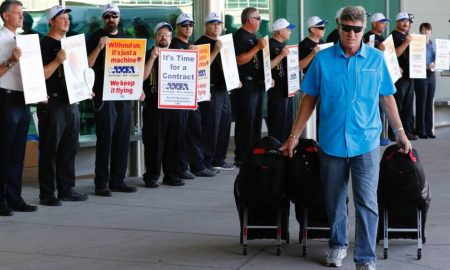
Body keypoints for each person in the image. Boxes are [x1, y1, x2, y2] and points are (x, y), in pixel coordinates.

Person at [281, 6, 411, 270]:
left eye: (357, 29)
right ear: (339, 28)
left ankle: (365, 257)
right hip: (331, 143)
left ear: (364, 30)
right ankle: (338, 244)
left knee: (367, 202)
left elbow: (387, 97)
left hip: (366, 142)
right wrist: (294, 136)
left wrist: (400, 132)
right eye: (346, 28)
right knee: (335, 200)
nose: (351, 34)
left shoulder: (375, 59)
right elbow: (309, 99)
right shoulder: (323, 59)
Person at [38, 5, 88, 206]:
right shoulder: (43, 45)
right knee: (50, 150)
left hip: (72, 101)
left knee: (69, 149)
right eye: (61, 18)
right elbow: (39, 75)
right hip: (53, 102)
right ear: (51, 22)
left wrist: (86, 87)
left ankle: (67, 189)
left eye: (67, 17)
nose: (66, 20)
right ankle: (47, 194)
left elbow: (79, 72)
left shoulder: (72, 43)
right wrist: (58, 61)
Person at [87, 3, 137, 196]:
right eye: (107, 16)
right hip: (103, 96)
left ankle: (118, 179)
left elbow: (134, 66)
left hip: (123, 95)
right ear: (102, 19)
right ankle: (101, 183)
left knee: (122, 139)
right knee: (106, 139)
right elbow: (87, 66)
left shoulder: (126, 38)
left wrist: (136, 89)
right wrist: (99, 47)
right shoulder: (95, 37)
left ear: (118, 17)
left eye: (114, 16)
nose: (111, 19)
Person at [0, 0, 37, 216]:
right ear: (5, 16)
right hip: (5, 98)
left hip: (24, 98)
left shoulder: (25, 40)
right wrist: (10, 61)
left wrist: (38, 92)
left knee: (17, 154)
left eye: (22, 13)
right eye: (18, 13)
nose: (22, 16)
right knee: (4, 151)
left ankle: (15, 197)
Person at [169, 13, 217, 178]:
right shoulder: (175, 44)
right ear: (177, 27)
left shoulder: (191, 44)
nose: (188, 28)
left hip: (193, 96)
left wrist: (202, 90)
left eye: (190, 25)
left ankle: (197, 165)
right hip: (180, 97)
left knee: (195, 131)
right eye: (184, 25)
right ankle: (182, 168)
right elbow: (174, 70)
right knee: (182, 134)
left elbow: (201, 69)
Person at [141, 22, 186, 187]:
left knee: (174, 142)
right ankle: (152, 176)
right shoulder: (147, 54)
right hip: (154, 106)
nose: (164, 37)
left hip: (174, 104)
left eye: (167, 35)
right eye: (160, 34)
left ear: (171, 38)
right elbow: (142, 77)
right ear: (154, 37)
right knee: (154, 142)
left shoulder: (178, 55)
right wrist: (152, 57)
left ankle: (171, 175)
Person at [195, 12, 235, 171]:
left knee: (224, 124)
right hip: (209, 89)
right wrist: (215, 50)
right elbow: (201, 67)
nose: (216, 26)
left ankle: (219, 158)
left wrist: (234, 79)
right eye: (213, 23)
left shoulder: (223, 41)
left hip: (223, 88)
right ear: (206, 25)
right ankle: (206, 160)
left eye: (219, 23)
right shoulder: (201, 43)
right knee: (211, 125)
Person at [232, 7, 266, 166]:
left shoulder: (254, 36)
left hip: (257, 84)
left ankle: (253, 153)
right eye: (258, 18)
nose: (260, 21)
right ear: (249, 20)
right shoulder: (240, 36)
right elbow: (239, 60)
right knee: (246, 120)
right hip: (245, 83)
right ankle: (242, 155)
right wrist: (257, 48)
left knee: (256, 121)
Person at [390, 12, 418, 140]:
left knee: (408, 105)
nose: (405, 23)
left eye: (407, 21)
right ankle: (396, 132)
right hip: (398, 77)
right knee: (398, 105)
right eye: (402, 21)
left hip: (410, 75)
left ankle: (407, 130)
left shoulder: (408, 36)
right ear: (397, 22)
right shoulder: (393, 36)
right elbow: (394, 54)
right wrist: (406, 42)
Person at [266, 18, 295, 143]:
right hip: (276, 91)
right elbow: (267, 66)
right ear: (279, 31)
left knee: (287, 124)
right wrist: (281, 55)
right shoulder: (269, 45)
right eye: (287, 29)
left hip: (288, 89)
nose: (290, 32)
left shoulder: (285, 46)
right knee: (277, 124)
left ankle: (285, 150)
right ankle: (275, 150)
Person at [414, 22, 436, 139]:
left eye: (427, 30)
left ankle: (429, 129)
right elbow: (414, 60)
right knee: (421, 102)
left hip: (432, 74)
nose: (425, 32)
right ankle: (420, 130)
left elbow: (438, 59)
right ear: (420, 32)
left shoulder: (433, 45)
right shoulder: (416, 44)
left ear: (430, 32)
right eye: (423, 30)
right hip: (420, 74)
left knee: (429, 102)